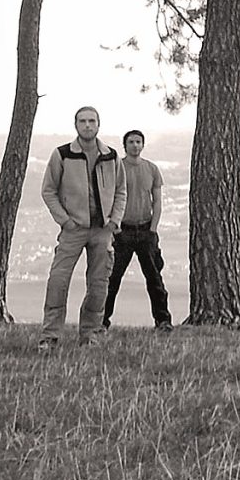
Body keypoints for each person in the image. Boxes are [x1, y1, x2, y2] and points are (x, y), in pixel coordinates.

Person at [39, 105, 127, 350]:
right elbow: (48, 190)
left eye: (91, 121)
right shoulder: (63, 154)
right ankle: (50, 337)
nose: (87, 125)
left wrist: (114, 221)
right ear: (75, 125)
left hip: (103, 230)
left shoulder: (111, 155)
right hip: (73, 229)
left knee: (99, 285)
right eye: (82, 121)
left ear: (98, 124)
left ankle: (90, 335)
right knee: (58, 280)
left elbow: (121, 190)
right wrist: (65, 220)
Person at [103, 129, 174, 333]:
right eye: (131, 142)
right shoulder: (118, 168)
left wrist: (153, 229)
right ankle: (102, 321)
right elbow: (108, 198)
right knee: (112, 279)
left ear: (143, 145)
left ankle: (163, 321)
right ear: (124, 145)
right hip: (121, 231)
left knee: (154, 279)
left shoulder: (151, 169)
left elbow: (157, 201)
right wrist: (114, 227)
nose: (135, 145)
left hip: (145, 230)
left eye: (138, 141)